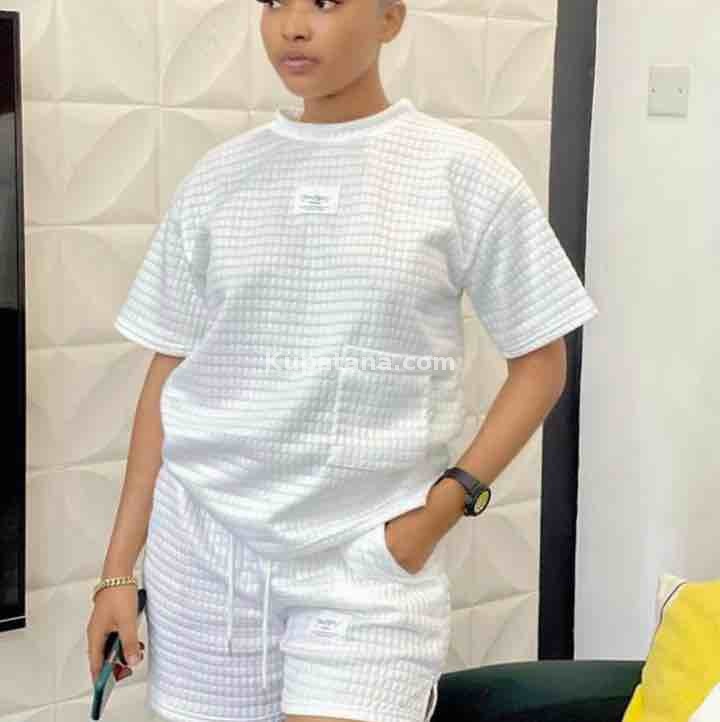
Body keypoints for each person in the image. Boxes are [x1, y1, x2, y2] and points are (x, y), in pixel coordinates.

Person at [87, 0, 599, 721]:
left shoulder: (460, 171)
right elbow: (169, 374)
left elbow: (542, 362)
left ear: (391, 18)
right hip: (205, 557)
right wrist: (117, 571)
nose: (293, 25)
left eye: (325, 1)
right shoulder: (219, 178)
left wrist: (437, 513)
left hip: (369, 561)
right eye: (275, 1)